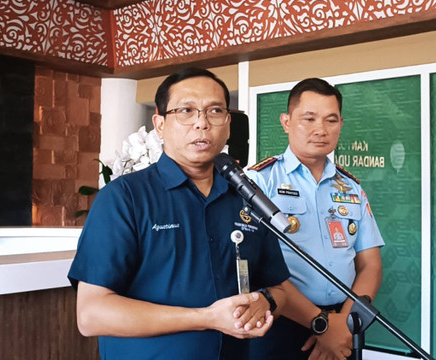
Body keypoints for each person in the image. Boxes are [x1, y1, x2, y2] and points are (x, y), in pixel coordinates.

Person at [68, 67, 290, 360]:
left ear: (227, 123)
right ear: (159, 124)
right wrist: (207, 317)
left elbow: (280, 288)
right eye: (186, 110)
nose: (202, 123)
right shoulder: (125, 197)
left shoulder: (245, 199)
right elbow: (91, 314)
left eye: (215, 111)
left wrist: (266, 301)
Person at [247, 78, 384, 360]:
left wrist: (343, 324)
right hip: (279, 322)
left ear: (340, 124)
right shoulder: (258, 182)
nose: (320, 130)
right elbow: (253, 265)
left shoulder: (352, 188)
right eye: (308, 119)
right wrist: (319, 323)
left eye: (330, 120)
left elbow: (370, 265)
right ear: (286, 122)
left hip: (345, 324)